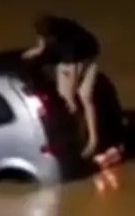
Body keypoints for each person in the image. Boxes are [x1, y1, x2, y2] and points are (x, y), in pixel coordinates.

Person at [22, 14, 101, 158]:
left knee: (68, 102)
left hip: (73, 60)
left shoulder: (63, 43)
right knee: (86, 99)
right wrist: (35, 51)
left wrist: (71, 82)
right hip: (92, 53)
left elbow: (70, 63)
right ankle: (93, 140)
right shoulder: (64, 25)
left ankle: (78, 139)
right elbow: (42, 45)